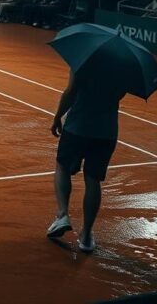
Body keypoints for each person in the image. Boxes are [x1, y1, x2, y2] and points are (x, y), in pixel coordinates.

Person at [47, 69, 128, 253]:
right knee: (93, 180)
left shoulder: (83, 59)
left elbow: (70, 91)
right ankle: (86, 235)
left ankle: (62, 215)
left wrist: (57, 116)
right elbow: (120, 94)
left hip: (78, 125)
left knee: (62, 167)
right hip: (106, 132)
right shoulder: (123, 66)